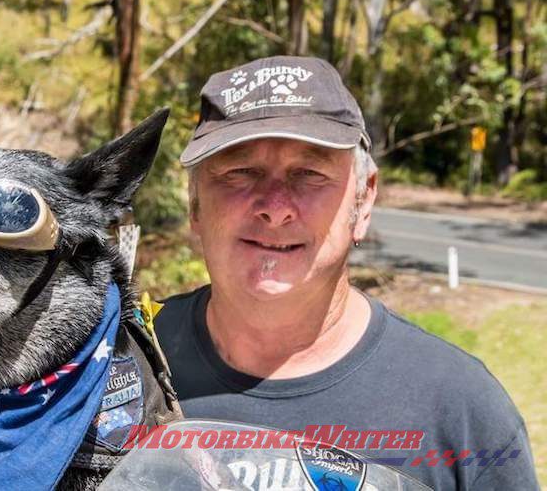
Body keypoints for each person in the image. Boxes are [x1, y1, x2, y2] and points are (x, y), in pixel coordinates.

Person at [154, 55, 539, 490]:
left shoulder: (460, 411)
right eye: (241, 171)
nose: (275, 207)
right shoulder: (122, 369)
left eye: (310, 173)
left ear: (364, 200)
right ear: (194, 202)